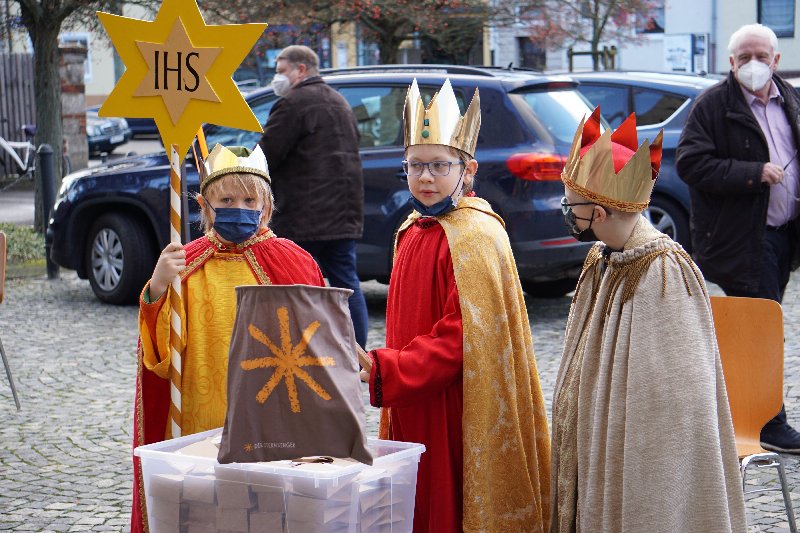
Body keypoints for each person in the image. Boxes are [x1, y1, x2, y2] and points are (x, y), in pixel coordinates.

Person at [358, 79, 551, 533]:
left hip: (456, 403)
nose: (425, 177)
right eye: (415, 166)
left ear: (467, 170)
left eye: (440, 165)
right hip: (412, 393)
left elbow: (464, 336)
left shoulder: (477, 236)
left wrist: (390, 367)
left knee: (448, 498)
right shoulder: (412, 228)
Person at [551, 107, 747, 532]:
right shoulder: (604, 257)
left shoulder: (661, 270)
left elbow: (671, 401)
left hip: (638, 449)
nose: (566, 210)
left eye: (573, 205)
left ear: (599, 214)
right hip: (598, 437)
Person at [130, 144, 325, 533]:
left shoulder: (293, 261)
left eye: (249, 199)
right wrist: (158, 286)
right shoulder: (186, 263)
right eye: (227, 199)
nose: (239, 206)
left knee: (267, 509)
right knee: (207, 508)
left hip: (271, 417)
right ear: (205, 205)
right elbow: (158, 353)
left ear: (266, 206)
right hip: (201, 414)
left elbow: (319, 340)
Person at [676, 23, 800, 454]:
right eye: (744, 57)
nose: (753, 65)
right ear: (731, 62)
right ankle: (768, 423)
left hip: (785, 235)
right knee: (761, 329)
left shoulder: (792, 99)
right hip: (743, 240)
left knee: (762, 323)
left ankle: (731, 409)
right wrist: (753, 173)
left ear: (776, 59)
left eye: (761, 56)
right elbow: (691, 164)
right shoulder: (712, 105)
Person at [259, 45, 368, 349]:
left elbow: (267, 155)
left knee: (300, 286)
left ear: (301, 70)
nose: (277, 78)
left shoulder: (294, 104)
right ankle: (356, 353)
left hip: (303, 216)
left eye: (281, 71)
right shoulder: (340, 102)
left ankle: (306, 352)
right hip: (344, 214)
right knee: (348, 285)